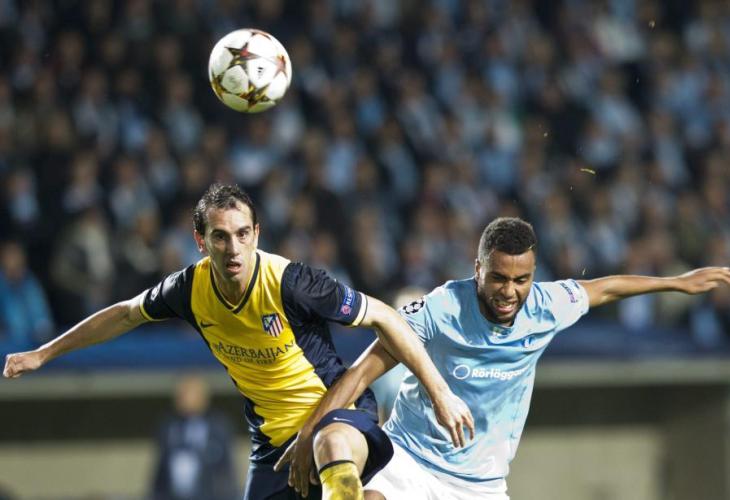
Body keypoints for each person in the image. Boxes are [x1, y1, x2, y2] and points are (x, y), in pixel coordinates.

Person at [3, 184, 474, 500]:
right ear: (200, 240)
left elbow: (387, 317)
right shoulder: (189, 290)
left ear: (256, 234)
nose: (233, 248)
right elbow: (125, 314)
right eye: (221, 237)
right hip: (270, 444)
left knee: (332, 446)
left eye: (243, 234)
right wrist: (45, 354)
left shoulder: (292, 282)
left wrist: (441, 393)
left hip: (338, 411)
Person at [278, 217, 730, 500]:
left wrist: (677, 282)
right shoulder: (440, 308)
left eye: (521, 280)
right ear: (478, 269)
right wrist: (308, 432)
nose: (509, 292)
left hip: (482, 484)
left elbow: (605, 288)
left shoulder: (547, 305)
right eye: (498, 278)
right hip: (410, 460)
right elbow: (362, 372)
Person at [151, 374, 238, 500]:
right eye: (181, 394)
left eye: (190, 393)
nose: (185, 398)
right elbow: (160, 471)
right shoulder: (168, 426)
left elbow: (226, 470)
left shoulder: (218, 426)